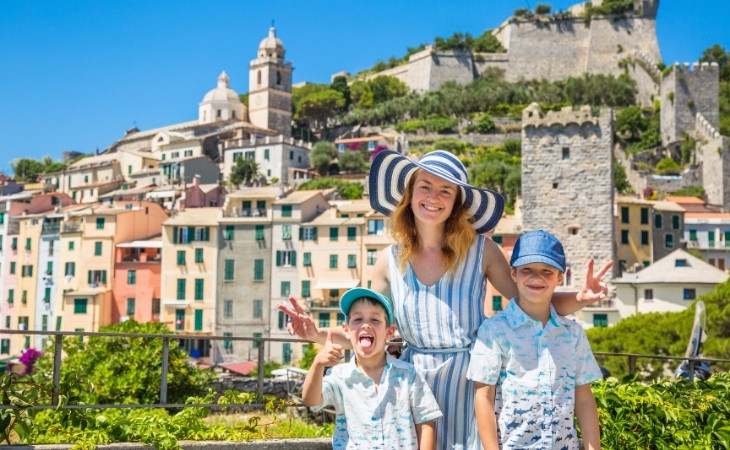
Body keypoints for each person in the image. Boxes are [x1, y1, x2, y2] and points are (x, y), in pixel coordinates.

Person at [281, 149, 612, 449]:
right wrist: (315, 334)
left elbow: (530, 306)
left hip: (473, 382)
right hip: (410, 383)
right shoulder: (388, 262)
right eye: (425, 186)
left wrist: (581, 298)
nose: (433, 197)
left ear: (457, 202)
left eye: (445, 190)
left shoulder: (482, 251)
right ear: (410, 194)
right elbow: (372, 331)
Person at [467, 230, 603, 449]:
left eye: (546, 271)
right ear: (513, 274)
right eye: (527, 269)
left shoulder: (573, 334)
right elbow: (483, 397)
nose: (536, 277)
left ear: (560, 276)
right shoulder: (494, 331)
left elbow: (584, 398)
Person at [301, 287, 442, 449]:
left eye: (374, 320)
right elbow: (311, 400)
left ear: (389, 332)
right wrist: (318, 364)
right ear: (346, 330)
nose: (366, 325)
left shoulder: (409, 374)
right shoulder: (340, 376)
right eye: (358, 319)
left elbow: (426, 424)